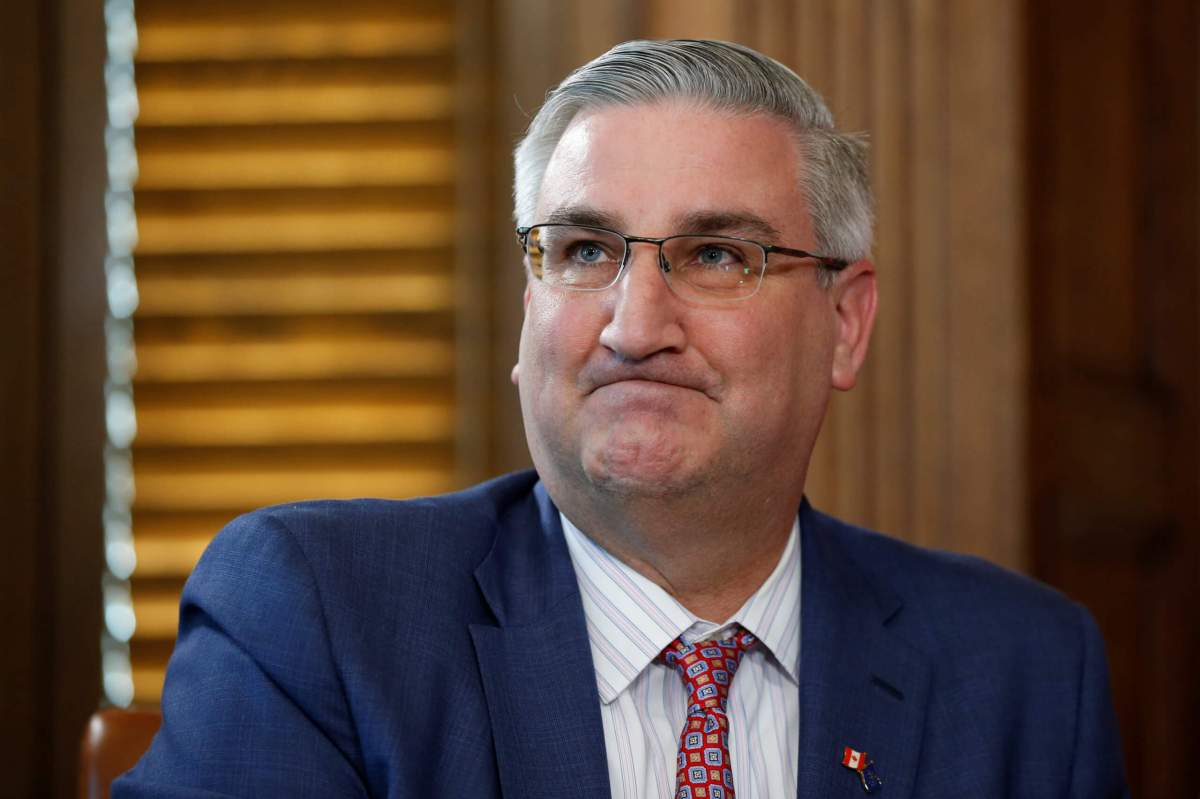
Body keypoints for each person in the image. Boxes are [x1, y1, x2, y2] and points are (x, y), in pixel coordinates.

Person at [114, 39, 1128, 798]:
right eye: (587, 251)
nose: (634, 327)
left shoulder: (1028, 675)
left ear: (845, 323)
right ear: (529, 306)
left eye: (718, 256)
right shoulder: (317, 618)